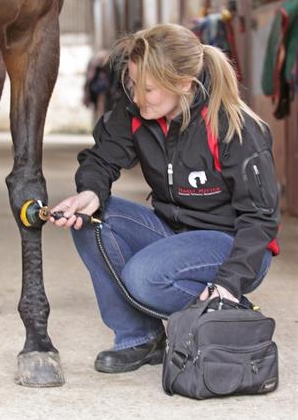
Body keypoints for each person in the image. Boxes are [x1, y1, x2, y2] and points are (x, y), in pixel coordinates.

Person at [50, 24, 280, 374]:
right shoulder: (138, 113)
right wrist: (90, 192)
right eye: (132, 83)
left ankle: (229, 309)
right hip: (174, 234)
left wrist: (230, 280)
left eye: (149, 89)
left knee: (143, 277)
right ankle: (140, 338)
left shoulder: (234, 127)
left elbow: (261, 218)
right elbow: (101, 158)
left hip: (234, 246)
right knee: (89, 220)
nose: (138, 97)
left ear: (184, 83)